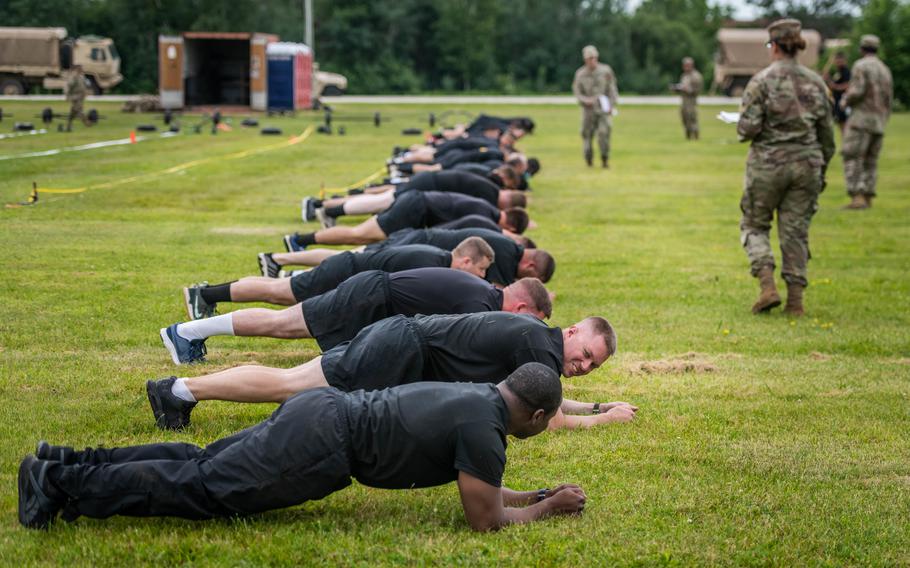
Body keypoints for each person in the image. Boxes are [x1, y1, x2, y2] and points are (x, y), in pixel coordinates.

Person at [18, 364, 590, 531]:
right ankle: (57, 485)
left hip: (323, 410)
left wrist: (532, 492)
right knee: (205, 489)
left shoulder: (476, 397)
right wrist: (547, 509)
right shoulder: (486, 431)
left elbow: (483, 487)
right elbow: (484, 519)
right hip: (323, 444)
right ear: (536, 415)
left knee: (199, 461)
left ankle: (64, 461)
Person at [145, 312, 634, 432]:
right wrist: (603, 420)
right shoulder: (540, 348)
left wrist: (595, 403)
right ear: (571, 332)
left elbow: (539, 398)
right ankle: (178, 391)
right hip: (396, 349)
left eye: (594, 365)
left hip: (397, 340)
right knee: (290, 387)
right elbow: (543, 416)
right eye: (586, 353)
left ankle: (182, 391)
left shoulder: (536, 341)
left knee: (294, 384)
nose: (584, 366)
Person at [161, 269, 553, 364]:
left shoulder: (482, 292)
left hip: (371, 296)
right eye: (529, 321)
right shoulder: (481, 306)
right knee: (282, 324)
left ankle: (191, 332)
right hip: (367, 297)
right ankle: (186, 332)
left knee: (285, 325)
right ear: (520, 309)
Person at [736, 19, 835, 316]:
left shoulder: (761, 82)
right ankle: (795, 302)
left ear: (775, 46)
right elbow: (827, 137)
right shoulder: (816, 83)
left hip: (767, 165)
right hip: (807, 165)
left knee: (755, 225)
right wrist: (821, 169)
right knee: (795, 232)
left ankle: (767, 285)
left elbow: (748, 128)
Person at [183, 238, 494, 320]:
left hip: (348, 269)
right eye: (481, 270)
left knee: (279, 291)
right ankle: (206, 295)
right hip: (344, 271)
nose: (481, 277)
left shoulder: (435, 256)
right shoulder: (431, 261)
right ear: (466, 260)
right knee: (279, 293)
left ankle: (208, 295)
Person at [270, 227, 554, 287]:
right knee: (348, 256)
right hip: (413, 245)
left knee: (348, 258)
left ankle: (285, 266)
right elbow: (496, 291)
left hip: (417, 241)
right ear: (530, 265)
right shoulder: (504, 254)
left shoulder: (505, 245)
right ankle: (282, 258)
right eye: (534, 278)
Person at [284, 191, 529, 249]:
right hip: (415, 208)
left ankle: (309, 231)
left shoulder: (485, 211)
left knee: (362, 234)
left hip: (417, 205)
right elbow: (445, 230)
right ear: (509, 227)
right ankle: (298, 240)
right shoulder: (485, 218)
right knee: (358, 236)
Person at [302, 172, 527, 228]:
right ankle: (325, 208)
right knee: (380, 202)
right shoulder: (489, 195)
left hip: (428, 184)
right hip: (426, 187)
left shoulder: (489, 188)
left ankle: (326, 206)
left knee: (381, 199)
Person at [840, 35, 893, 210]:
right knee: (871, 159)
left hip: (861, 119)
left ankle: (858, 196)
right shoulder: (884, 69)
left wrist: (845, 101)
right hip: (879, 121)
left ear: (862, 48)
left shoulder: (860, 66)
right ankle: (868, 195)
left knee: (853, 156)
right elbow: (889, 98)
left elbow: (857, 90)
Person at [572, 45, 618, 168]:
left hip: (603, 109)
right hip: (588, 110)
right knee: (587, 136)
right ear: (585, 60)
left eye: (594, 58)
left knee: (604, 133)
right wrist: (585, 100)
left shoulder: (605, 71)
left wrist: (611, 105)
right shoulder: (580, 74)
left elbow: (612, 89)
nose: (592, 60)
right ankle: (588, 160)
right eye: (589, 58)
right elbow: (577, 92)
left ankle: (604, 159)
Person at [671, 57, 703, 140]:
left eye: (687, 65)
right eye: (684, 65)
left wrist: (687, 89)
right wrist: (676, 88)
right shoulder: (684, 75)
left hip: (691, 102)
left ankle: (696, 138)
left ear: (691, 65)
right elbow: (682, 86)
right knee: (684, 119)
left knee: (692, 119)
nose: (685, 67)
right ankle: (688, 137)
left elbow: (697, 90)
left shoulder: (696, 76)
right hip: (684, 101)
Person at [823, 51, 851, 133]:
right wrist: (828, 80)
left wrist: (833, 85)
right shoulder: (837, 72)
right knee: (840, 125)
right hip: (836, 102)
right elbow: (831, 84)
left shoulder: (846, 72)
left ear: (844, 60)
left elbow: (847, 85)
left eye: (840, 61)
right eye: (837, 61)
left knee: (845, 126)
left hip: (843, 102)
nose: (838, 63)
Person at [64, 65, 92, 132]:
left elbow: (83, 86)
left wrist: (86, 92)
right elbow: (69, 86)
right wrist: (67, 95)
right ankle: (86, 122)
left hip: (80, 96)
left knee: (73, 111)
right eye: (80, 69)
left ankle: (68, 125)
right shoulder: (74, 77)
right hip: (75, 96)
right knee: (79, 109)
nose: (82, 70)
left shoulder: (81, 76)